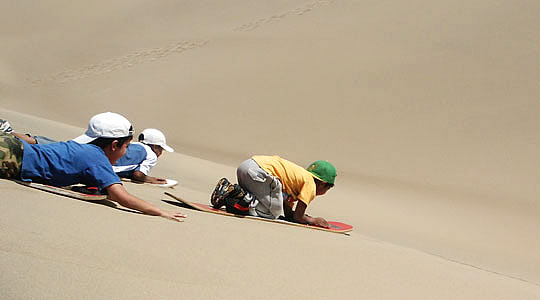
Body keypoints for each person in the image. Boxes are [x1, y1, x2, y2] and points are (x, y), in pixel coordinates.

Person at [0, 113, 186, 222]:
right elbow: (122, 197)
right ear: (114, 145)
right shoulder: (97, 159)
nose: (125, 152)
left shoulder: (83, 149)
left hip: (16, 148)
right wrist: (160, 211)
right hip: (13, 158)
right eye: (126, 147)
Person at [0, 120, 173, 184]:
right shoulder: (150, 155)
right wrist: (152, 180)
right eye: (161, 149)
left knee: (44, 144)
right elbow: (137, 175)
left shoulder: (132, 144)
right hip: (89, 163)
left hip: (76, 149)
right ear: (156, 147)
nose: (161, 153)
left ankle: (9, 133)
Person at [210, 155, 336, 228]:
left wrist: (298, 216)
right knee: (271, 214)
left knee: (265, 203)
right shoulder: (310, 184)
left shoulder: (299, 179)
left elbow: (288, 211)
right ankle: (236, 194)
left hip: (248, 165)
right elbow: (298, 216)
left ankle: (229, 196)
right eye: (328, 188)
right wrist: (312, 220)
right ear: (322, 184)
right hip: (260, 172)